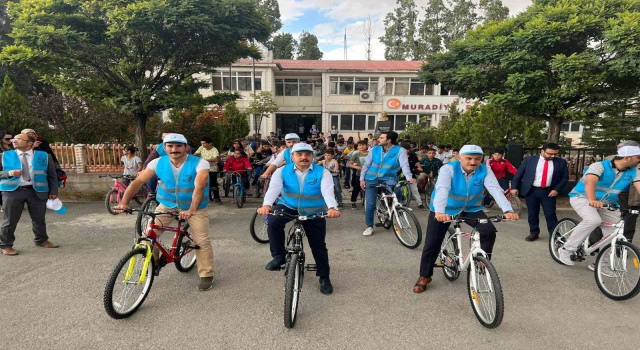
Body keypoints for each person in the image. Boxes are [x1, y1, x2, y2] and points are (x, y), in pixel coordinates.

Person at [413, 145, 519, 293]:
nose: (473, 162)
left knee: (488, 230)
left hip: (471, 208)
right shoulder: (448, 169)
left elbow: (495, 189)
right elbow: (442, 189)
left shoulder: (485, 170)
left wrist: (508, 209)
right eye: (469, 158)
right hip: (445, 209)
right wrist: (440, 211)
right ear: (460, 157)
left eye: (477, 159)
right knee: (432, 243)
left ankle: (483, 262)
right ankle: (425, 275)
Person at [115, 133, 215, 291]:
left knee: (201, 240)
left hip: (194, 207)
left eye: (178, 146)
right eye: (170, 146)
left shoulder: (199, 163)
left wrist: (191, 210)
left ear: (185, 147)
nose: (174, 149)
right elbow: (138, 181)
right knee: (148, 235)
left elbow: (199, 187)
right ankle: (152, 262)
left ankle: (206, 274)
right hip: (167, 204)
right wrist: (124, 202)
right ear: (164, 148)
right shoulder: (157, 162)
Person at [257, 143, 340, 295]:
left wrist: (332, 208)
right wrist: (267, 205)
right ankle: (279, 257)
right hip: (288, 205)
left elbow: (328, 191)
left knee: (318, 245)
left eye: (307, 154)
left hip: (314, 210)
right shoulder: (282, 171)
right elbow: (274, 188)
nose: (304, 157)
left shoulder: (323, 172)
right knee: (273, 221)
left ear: (312, 156)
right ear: (292, 156)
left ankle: (324, 277)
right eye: (299, 154)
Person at [557, 146, 640, 267]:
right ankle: (567, 249)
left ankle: (601, 264)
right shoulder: (599, 166)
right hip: (582, 197)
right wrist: (592, 200)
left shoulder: (634, 171)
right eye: (638, 157)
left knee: (615, 229)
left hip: (608, 203)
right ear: (628, 158)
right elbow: (590, 182)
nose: (639, 160)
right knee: (593, 220)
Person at [0, 133, 60, 255]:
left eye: (18, 139)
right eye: (14, 139)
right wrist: (9, 173)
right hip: (12, 191)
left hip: (37, 191)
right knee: (10, 220)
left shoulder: (44, 156)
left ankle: (41, 240)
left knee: (39, 219)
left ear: (30, 143)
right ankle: (5, 246)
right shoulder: (4, 156)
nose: (14, 141)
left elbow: (52, 175)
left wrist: (53, 191)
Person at [359, 131, 416, 236]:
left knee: (397, 192)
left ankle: (397, 209)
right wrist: (362, 179)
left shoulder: (400, 150)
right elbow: (366, 165)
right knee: (370, 204)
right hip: (371, 178)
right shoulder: (374, 149)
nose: (378, 140)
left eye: (381, 138)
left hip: (388, 178)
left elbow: (404, 165)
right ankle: (369, 226)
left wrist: (409, 178)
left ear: (388, 140)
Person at [511, 143, 568, 241]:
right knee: (532, 213)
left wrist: (556, 189)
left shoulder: (561, 162)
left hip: (549, 192)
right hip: (531, 191)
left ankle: (555, 235)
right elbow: (518, 174)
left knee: (550, 214)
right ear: (542, 151)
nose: (552, 156)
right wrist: (514, 187)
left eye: (555, 154)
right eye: (550, 154)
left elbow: (564, 178)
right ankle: (534, 232)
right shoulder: (529, 160)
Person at [194, 136, 222, 205]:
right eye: (202, 143)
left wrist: (204, 160)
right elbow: (195, 154)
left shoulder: (214, 150)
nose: (203, 145)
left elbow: (216, 159)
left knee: (214, 184)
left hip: (212, 169)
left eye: (204, 143)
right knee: (199, 183)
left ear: (210, 143)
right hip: (202, 169)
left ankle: (217, 198)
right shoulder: (201, 148)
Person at [401, 142, 426, 210]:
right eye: (405, 149)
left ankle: (420, 204)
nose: (407, 151)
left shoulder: (413, 155)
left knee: (415, 190)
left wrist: (419, 168)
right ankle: (400, 203)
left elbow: (417, 163)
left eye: (408, 149)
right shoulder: (397, 156)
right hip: (400, 176)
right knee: (400, 190)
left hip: (411, 175)